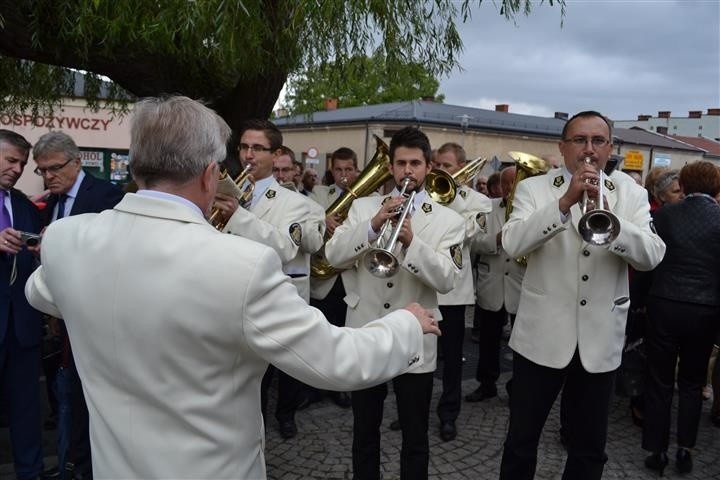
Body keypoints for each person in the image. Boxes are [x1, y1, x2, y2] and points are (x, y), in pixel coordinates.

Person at [24, 95, 441, 480]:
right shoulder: (242, 265)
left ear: (135, 167)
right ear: (210, 176)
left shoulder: (65, 240)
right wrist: (406, 323)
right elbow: (336, 361)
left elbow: (40, 293)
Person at [499, 110, 666, 480]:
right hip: (541, 338)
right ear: (562, 147)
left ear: (610, 148)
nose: (588, 149)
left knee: (590, 450)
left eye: (597, 141)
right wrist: (562, 204)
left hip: (599, 340)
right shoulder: (533, 188)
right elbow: (512, 244)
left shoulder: (632, 193)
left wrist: (614, 224)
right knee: (520, 442)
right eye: (579, 140)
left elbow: (652, 256)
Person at [325, 126, 464, 480]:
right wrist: (372, 227)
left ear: (428, 167)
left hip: (415, 339)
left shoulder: (448, 220)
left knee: (416, 436)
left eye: (415, 163)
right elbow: (334, 255)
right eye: (401, 163)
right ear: (390, 167)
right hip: (366, 331)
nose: (407, 171)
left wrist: (413, 243)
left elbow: (448, 280)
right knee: (364, 432)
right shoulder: (362, 207)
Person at [212, 120, 318, 439]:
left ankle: (285, 415)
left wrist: (237, 218)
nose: (248, 154)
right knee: (244, 373)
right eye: (244, 147)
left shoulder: (296, 203)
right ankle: (245, 428)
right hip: (230, 293)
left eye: (257, 148)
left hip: (272, 296)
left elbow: (285, 247)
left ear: (277, 154)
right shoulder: (222, 189)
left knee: (285, 366)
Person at [32, 130, 124, 480]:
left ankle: (84, 466)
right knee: (65, 395)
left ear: (75, 161)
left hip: (93, 316)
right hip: (59, 314)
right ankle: (71, 460)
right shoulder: (49, 203)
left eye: (54, 168)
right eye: (42, 170)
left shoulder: (106, 194)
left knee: (85, 398)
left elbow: (110, 254)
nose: (48, 176)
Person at [642, 161, 720, 476]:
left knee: (659, 381)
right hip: (705, 309)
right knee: (692, 381)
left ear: (684, 186)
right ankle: (685, 450)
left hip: (664, 305)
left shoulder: (663, 215)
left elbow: (649, 262)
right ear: (717, 187)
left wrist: (639, 302)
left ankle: (656, 451)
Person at [431, 142, 491, 441]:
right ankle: (411, 410)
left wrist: (448, 196)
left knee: (452, 358)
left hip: (454, 291)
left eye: (448, 166)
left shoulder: (478, 201)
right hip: (421, 286)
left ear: (463, 169)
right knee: (415, 353)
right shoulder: (422, 194)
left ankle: (448, 413)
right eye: (437, 165)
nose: (441, 171)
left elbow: (465, 234)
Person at [0, 129, 43, 480]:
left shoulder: (26, 207)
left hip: (23, 329)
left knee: (27, 414)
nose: (17, 169)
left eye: (22, 164)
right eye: (11, 160)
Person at [306, 147, 361, 408]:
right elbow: (307, 219)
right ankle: (315, 387)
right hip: (323, 279)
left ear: (356, 170)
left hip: (350, 277)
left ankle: (340, 387)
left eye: (348, 169)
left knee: (343, 337)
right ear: (332, 171)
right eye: (338, 170)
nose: (344, 175)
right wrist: (322, 218)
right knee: (319, 336)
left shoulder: (367, 200)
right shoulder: (319, 194)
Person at [466, 166, 524, 403]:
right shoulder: (488, 208)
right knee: (488, 340)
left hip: (520, 283)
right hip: (492, 282)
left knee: (521, 342)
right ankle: (486, 383)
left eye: (515, 183)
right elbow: (473, 242)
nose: (510, 188)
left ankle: (518, 386)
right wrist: (496, 239)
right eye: (507, 183)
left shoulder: (533, 210)